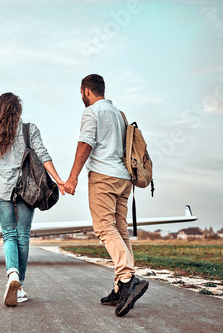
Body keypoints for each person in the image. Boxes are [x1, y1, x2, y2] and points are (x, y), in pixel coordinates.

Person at [64, 74, 149, 317]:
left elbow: (85, 142)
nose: (82, 96)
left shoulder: (92, 112)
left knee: (103, 227)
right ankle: (119, 288)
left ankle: (126, 279)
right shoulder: (119, 113)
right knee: (120, 230)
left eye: (81, 93)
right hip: (124, 178)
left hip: (103, 176)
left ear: (86, 91)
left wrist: (73, 177)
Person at [0, 92, 65, 307]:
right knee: (23, 236)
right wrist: (59, 180)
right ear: (17, 111)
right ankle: (20, 287)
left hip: (1, 191)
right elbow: (43, 155)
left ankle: (12, 275)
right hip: (27, 190)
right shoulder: (29, 130)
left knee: (8, 234)